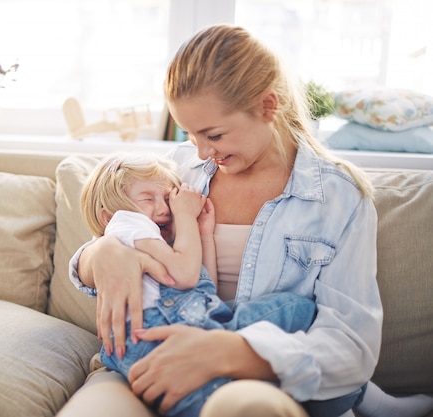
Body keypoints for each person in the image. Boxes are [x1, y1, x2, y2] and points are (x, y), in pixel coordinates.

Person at [58, 24, 433, 417]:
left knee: (241, 408)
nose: (202, 150)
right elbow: (127, 232)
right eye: (190, 135)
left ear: (267, 106)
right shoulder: (181, 171)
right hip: (147, 364)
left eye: (214, 134)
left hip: (257, 378)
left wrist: (233, 351)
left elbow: (351, 347)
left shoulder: (338, 198)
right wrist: (99, 254)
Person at [77, 152, 316, 417]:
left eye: (169, 198)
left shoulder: (159, 243)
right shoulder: (125, 225)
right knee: (207, 397)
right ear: (108, 217)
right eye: (147, 198)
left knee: (295, 307)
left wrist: (204, 234)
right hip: (149, 341)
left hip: (201, 321)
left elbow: (202, 289)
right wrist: (186, 216)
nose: (164, 208)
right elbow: (185, 276)